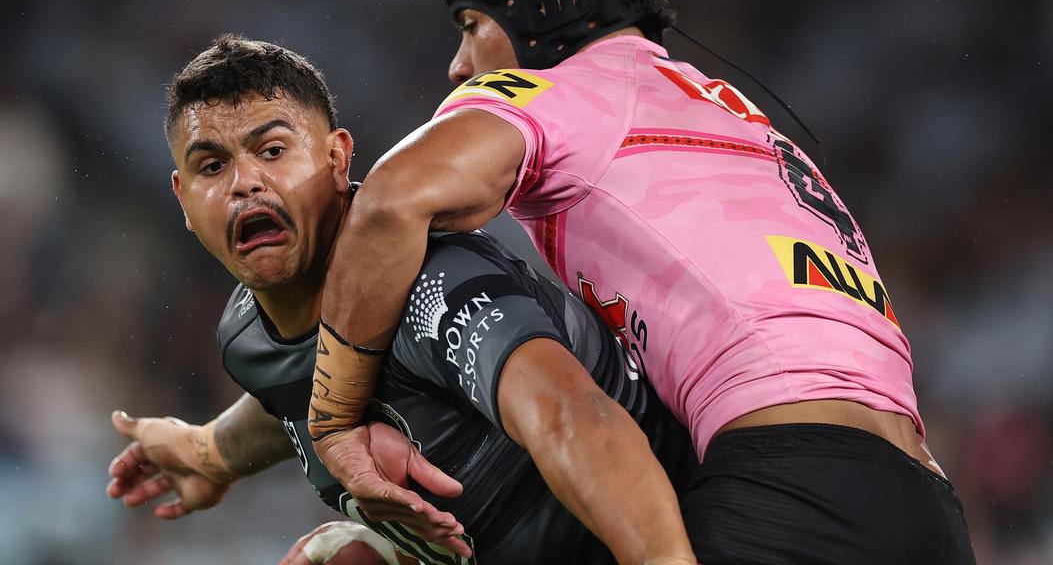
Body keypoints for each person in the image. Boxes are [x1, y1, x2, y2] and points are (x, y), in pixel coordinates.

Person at [307, 0, 976, 564]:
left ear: (544, 8)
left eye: (472, 26)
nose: (458, 65)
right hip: (927, 501)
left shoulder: (562, 90)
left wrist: (333, 423)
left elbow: (390, 204)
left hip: (792, 483)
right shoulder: (739, 117)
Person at [106, 35, 697, 565]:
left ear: (338, 159)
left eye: (273, 151)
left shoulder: (436, 285)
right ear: (183, 199)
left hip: (687, 527)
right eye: (212, 166)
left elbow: (575, 417)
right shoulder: (245, 335)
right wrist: (210, 453)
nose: (244, 184)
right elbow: (290, 392)